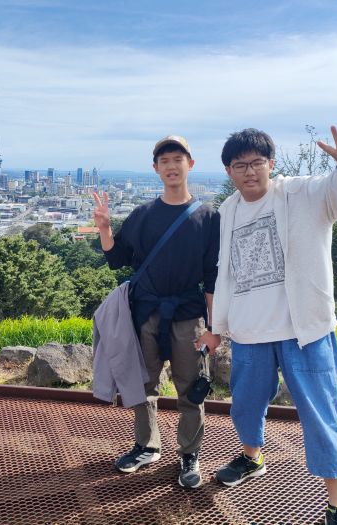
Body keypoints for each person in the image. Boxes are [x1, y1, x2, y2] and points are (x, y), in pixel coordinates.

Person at [210, 127, 337, 525]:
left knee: (320, 415)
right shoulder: (227, 211)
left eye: (257, 163)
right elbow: (224, 273)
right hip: (250, 331)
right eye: (240, 165)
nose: (250, 172)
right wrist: (218, 326)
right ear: (229, 171)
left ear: (271, 164)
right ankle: (252, 458)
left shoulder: (302, 193)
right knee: (245, 405)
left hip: (305, 330)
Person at [92, 135, 221, 489]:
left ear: (190, 164)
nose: (171, 166)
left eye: (178, 159)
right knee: (143, 382)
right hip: (146, 312)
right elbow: (118, 259)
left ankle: (189, 453)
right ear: (155, 168)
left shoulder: (208, 217)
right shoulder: (142, 214)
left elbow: (213, 277)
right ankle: (146, 445)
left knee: (191, 387)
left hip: (188, 314)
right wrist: (105, 229)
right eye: (164, 160)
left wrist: (214, 327)